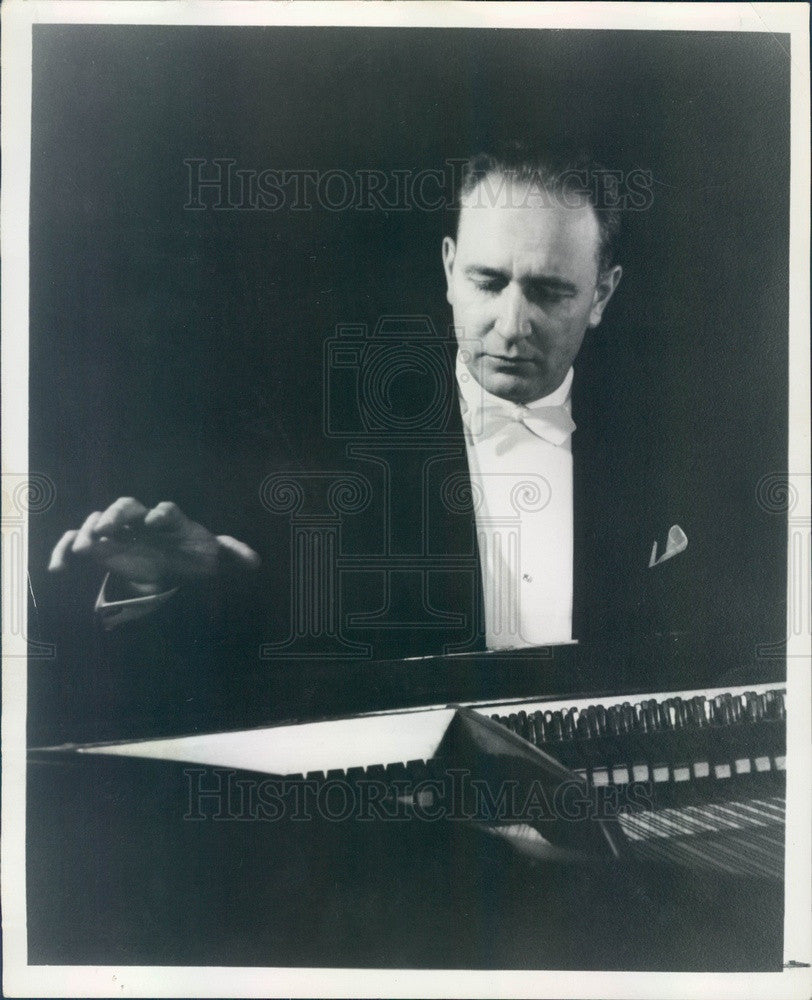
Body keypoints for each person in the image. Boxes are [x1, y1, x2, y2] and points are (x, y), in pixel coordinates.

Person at [44, 143, 762, 739]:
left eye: (549, 292)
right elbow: (265, 625)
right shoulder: (333, 438)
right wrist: (169, 578)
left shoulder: (683, 447)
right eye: (488, 281)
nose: (512, 324)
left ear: (602, 294)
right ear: (449, 269)